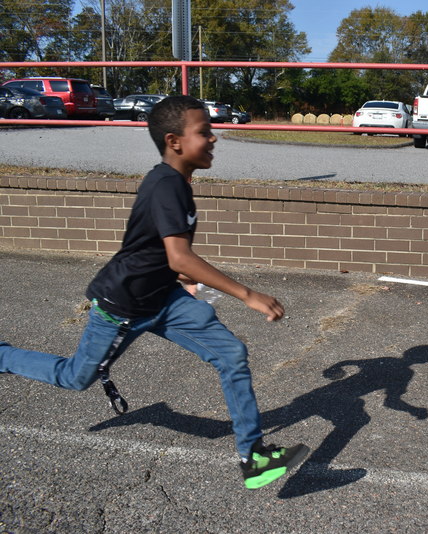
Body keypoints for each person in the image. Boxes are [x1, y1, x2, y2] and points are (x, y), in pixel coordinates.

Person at [0, 95, 309, 489]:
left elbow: (157, 248)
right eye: (204, 132)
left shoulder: (176, 182)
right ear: (174, 141)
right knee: (75, 378)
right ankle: (3, 355)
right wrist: (246, 294)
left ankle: (254, 458)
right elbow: (179, 256)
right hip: (122, 305)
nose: (213, 138)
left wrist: (181, 279)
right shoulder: (166, 185)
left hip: (164, 297)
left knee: (231, 353)